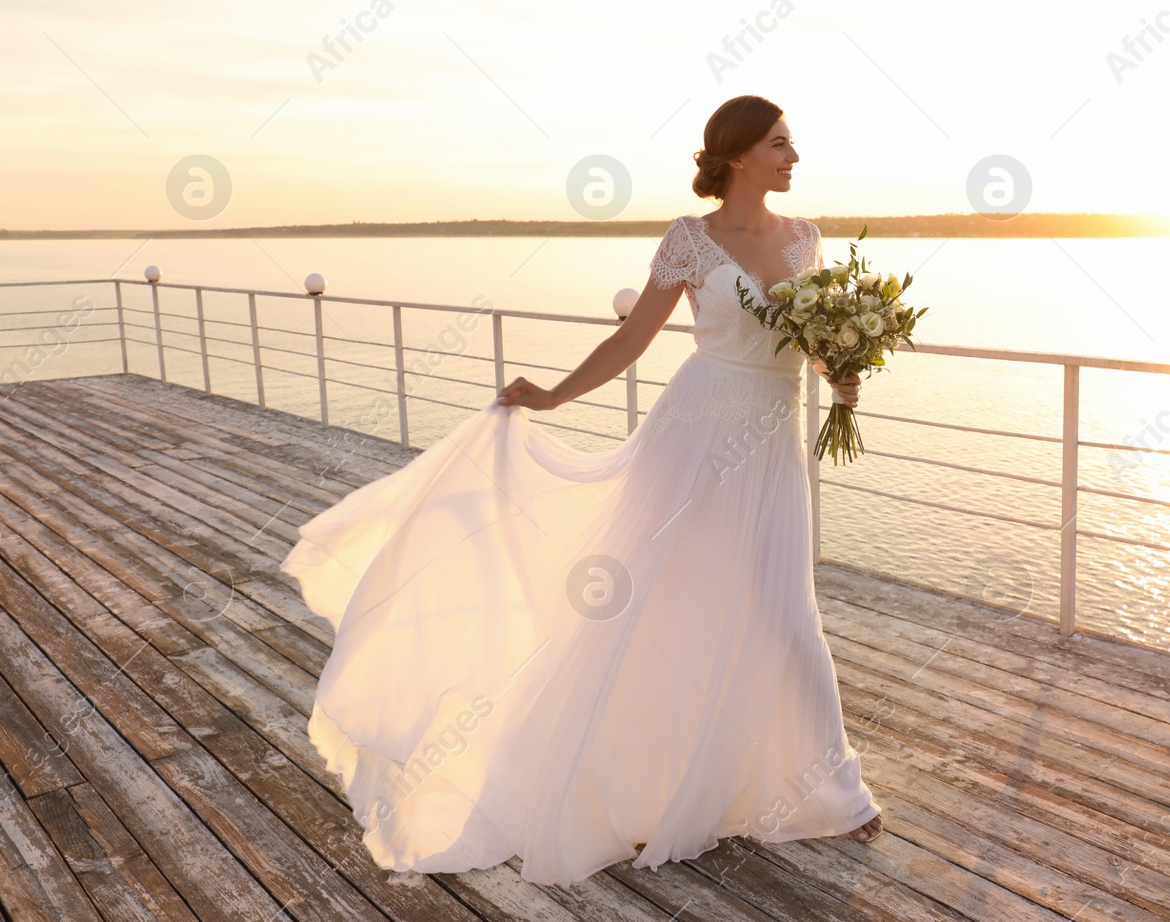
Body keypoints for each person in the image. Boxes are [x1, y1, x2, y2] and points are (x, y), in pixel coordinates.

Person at [279, 94, 883, 890]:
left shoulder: (804, 239)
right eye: (779, 143)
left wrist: (842, 378)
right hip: (695, 436)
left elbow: (808, 344)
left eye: (791, 143)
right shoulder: (689, 240)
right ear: (738, 155)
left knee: (782, 608)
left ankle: (825, 785)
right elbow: (633, 338)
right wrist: (556, 396)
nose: (793, 156)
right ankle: (646, 775)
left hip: (770, 443)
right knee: (666, 605)